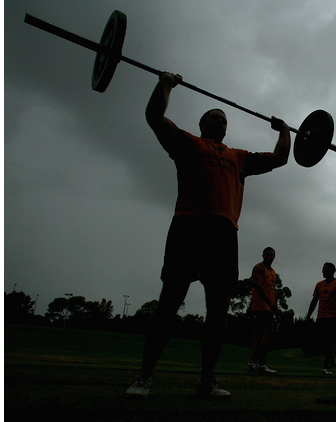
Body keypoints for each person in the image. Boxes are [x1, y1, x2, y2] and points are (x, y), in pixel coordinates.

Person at [125, 72, 291, 400]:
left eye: (222, 118)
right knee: (169, 302)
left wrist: (285, 131)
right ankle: (144, 376)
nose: (218, 120)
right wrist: (165, 85)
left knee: (218, 309)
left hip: (224, 233)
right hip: (188, 226)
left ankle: (207, 380)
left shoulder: (239, 157)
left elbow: (282, 157)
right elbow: (153, 117)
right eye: (212, 117)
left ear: (226, 128)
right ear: (202, 125)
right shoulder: (188, 144)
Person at [306, 262, 336, 375]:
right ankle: (331, 359)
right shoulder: (319, 285)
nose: (322, 271)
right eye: (322, 269)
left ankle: (326, 367)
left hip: (332, 317)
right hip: (321, 316)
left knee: (329, 341)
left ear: (332, 271)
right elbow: (314, 301)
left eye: (325, 269)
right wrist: (309, 315)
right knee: (316, 340)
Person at [247, 247, 282, 375]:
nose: (269, 257)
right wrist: (270, 304)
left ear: (274, 256)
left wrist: (275, 306)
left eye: (271, 255)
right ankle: (261, 363)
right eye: (267, 254)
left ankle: (252, 362)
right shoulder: (259, 268)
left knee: (262, 333)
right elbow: (258, 286)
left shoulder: (272, 272)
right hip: (261, 305)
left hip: (269, 306)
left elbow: (274, 289)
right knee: (269, 332)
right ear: (263, 255)